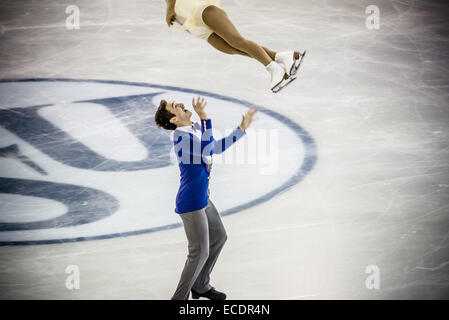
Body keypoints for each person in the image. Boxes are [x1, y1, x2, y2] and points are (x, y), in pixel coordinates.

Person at [154, 96, 257, 300]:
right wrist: (204, 117)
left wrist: (241, 129)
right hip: (191, 202)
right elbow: (209, 149)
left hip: (202, 198)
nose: (181, 105)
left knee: (219, 237)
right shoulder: (182, 138)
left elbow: (215, 148)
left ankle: (200, 285)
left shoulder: (190, 131)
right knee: (199, 252)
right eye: (176, 107)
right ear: (174, 120)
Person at [164, 0, 306, 93]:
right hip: (195, 25)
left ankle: (274, 69)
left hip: (202, 12)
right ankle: (284, 57)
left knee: (238, 41)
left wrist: (170, 8)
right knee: (234, 49)